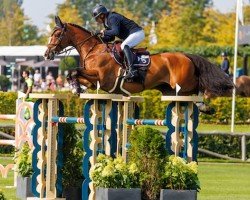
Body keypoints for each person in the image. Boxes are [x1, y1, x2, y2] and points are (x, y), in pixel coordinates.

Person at [92, 4, 145, 80]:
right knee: (120, 47)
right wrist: (99, 38)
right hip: (132, 34)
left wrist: (102, 31)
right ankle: (128, 69)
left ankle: (132, 71)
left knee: (124, 46)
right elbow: (111, 37)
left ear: (102, 15)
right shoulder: (106, 23)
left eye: (97, 18)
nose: (96, 21)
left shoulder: (112, 18)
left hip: (137, 33)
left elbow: (115, 32)